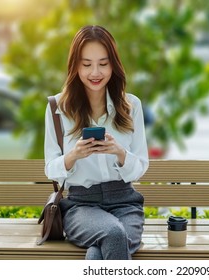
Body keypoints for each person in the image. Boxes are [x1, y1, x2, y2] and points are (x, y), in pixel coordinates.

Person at [44, 25, 149, 260]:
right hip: (81, 206)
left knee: (99, 251)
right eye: (86, 64)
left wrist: (120, 153)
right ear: (75, 66)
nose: (95, 72)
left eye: (103, 63)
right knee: (113, 234)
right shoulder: (58, 108)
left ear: (113, 64)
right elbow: (50, 168)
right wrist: (73, 155)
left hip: (126, 204)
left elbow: (141, 166)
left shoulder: (131, 106)